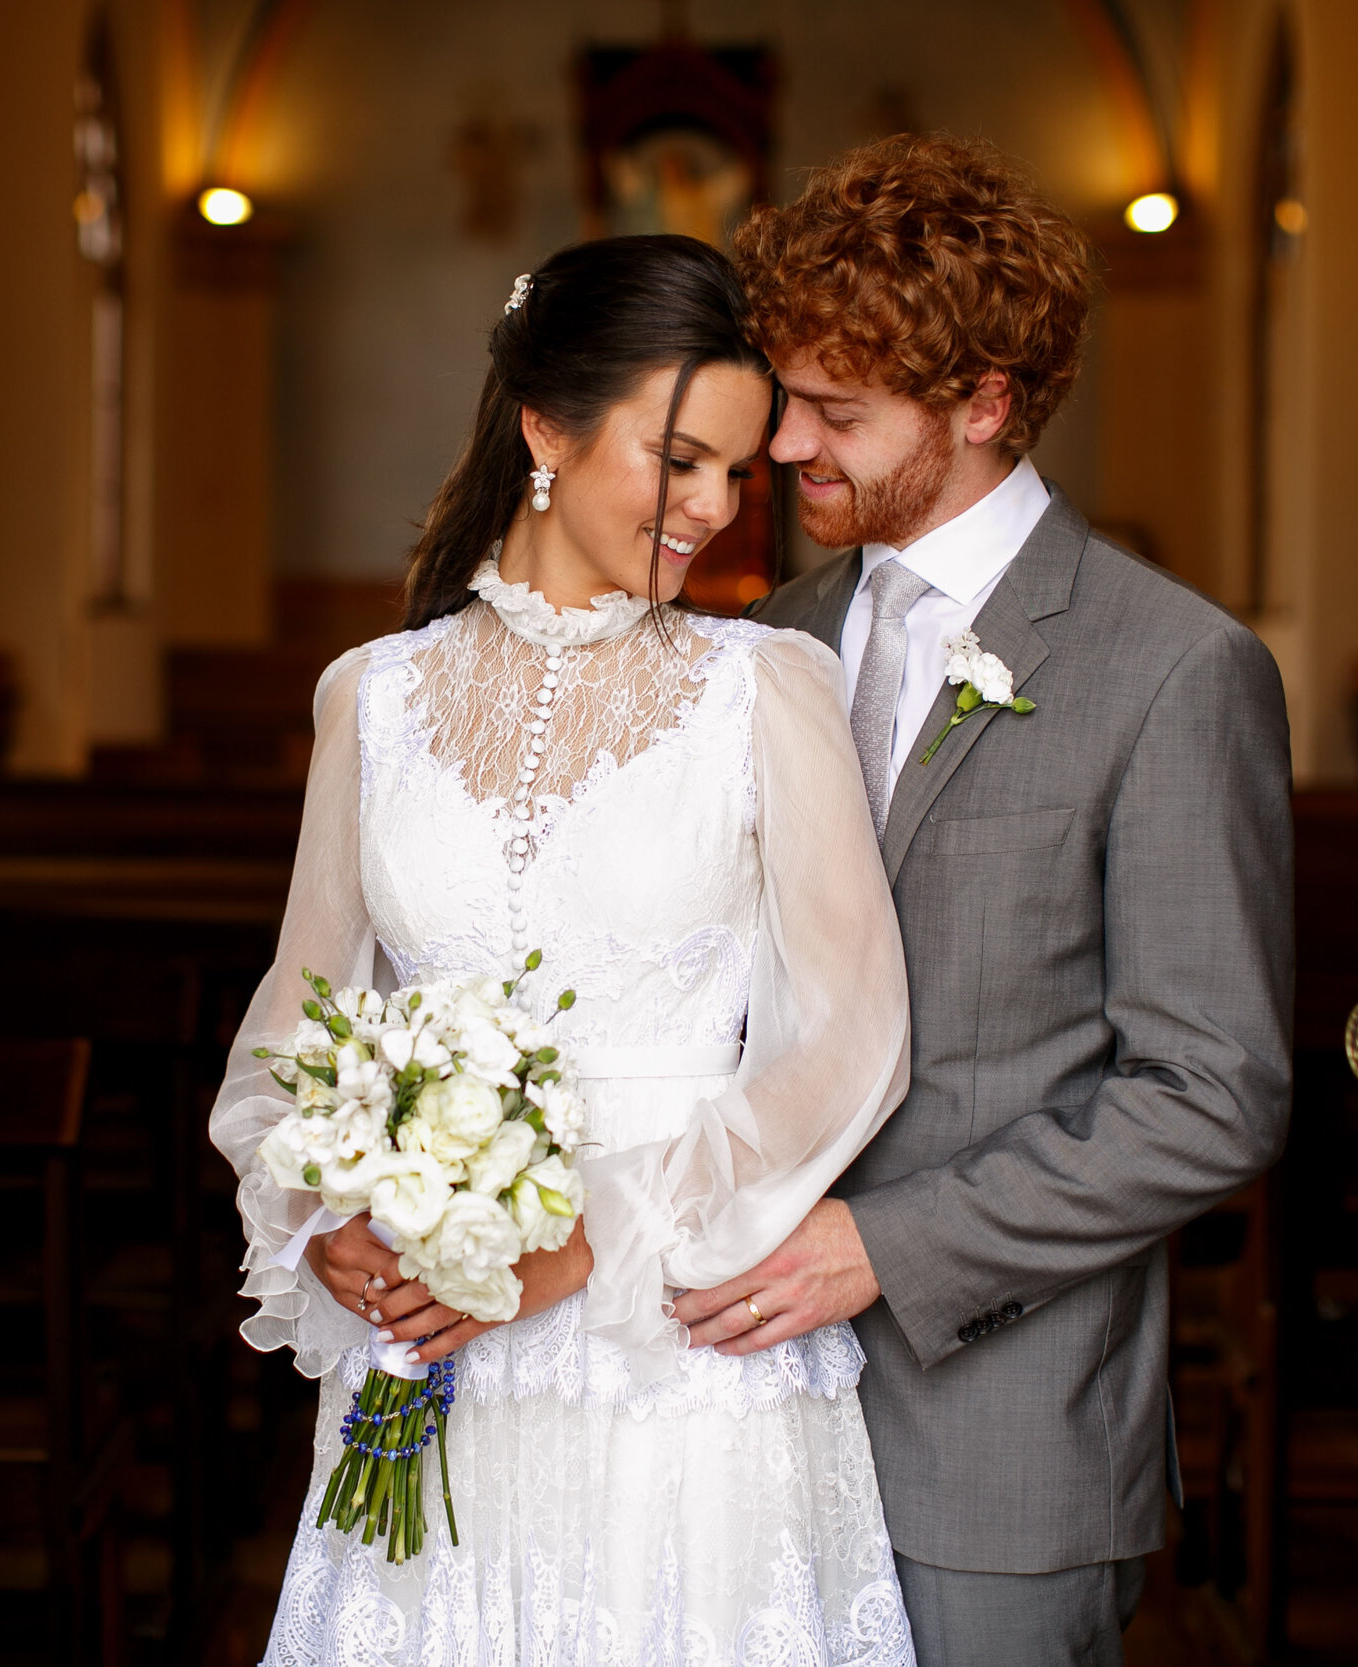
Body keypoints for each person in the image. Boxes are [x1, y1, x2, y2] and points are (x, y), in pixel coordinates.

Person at [210, 235, 919, 1666]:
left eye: (737, 468)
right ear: (544, 426)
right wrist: (325, 1211)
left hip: (682, 1358)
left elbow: (850, 1040)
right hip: (426, 1345)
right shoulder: (375, 699)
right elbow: (300, 1019)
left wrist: (591, 1244)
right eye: (679, 461)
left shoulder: (764, 689)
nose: (715, 508)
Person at [673, 135, 1295, 1667]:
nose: (784, 446)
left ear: (984, 404)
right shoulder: (771, 646)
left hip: (1006, 1443)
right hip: (738, 1414)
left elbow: (1210, 1093)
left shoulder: (1172, 669)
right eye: (784, 395)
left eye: (837, 412)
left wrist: (890, 1249)